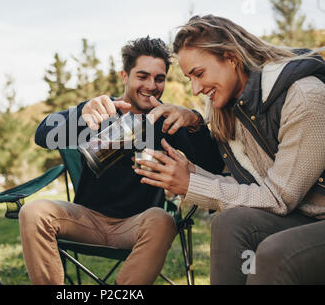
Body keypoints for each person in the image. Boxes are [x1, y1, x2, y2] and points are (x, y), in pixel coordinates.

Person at [134, 15, 325, 284]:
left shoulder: (305, 97)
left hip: (307, 215)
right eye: (190, 78)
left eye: (199, 74)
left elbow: (279, 198)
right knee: (228, 223)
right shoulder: (232, 109)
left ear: (231, 57)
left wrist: (192, 185)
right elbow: (251, 185)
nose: (196, 89)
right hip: (302, 215)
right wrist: (191, 175)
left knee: (273, 254)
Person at [19, 36, 224, 285]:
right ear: (124, 76)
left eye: (159, 78)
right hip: (86, 219)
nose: (151, 85)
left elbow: (214, 164)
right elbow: (44, 136)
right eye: (142, 76)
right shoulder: (102, 110)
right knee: (33, 211)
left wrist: (194, 121)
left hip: (137, 224)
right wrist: (81, 114)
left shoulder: (166, 119)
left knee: (162, 220)